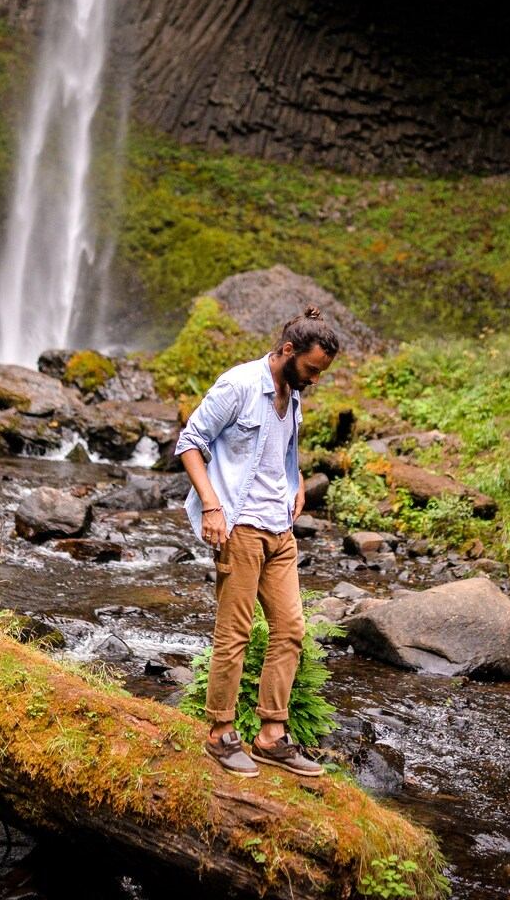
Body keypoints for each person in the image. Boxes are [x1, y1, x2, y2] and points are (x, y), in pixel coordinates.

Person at [175, 305, 339, 777]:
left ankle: (271, 735)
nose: (314, 379)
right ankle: (220, 733)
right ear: (288, 351)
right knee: (235, 633)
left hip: (279, 530)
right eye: (310, 369)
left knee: (290, 630)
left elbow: (282, 448)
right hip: (240, 526)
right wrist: (211, 506)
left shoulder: (295, 392)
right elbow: (190, 442)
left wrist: (298, 480)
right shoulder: (239, 386)